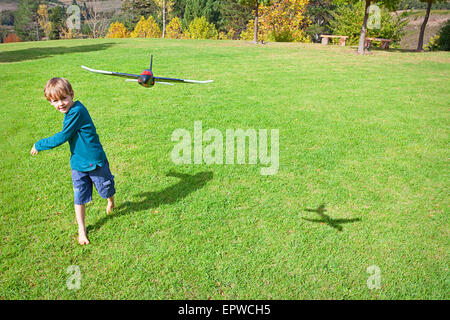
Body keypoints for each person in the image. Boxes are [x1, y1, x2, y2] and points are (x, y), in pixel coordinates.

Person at [30, 77, 115, 245]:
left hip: (95, 162)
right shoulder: (69, 112)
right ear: (50, 102)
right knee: (79, 197)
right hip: (78, 164)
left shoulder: (77, 111)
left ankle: (110, 201)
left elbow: (63, 136)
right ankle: (81, 230)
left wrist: (39, 144)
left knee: (106, 189)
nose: (60, 103)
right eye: (55, 101)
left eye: (64, 98)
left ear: (72, 95)